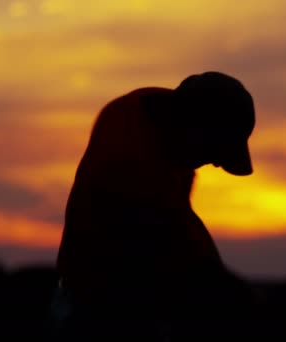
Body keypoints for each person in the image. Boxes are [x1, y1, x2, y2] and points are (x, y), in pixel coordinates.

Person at [49, 71, 259, 340]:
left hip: (95, 304)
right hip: (100, 317)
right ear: (195, 126)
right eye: (215, 149)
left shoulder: (143, 113)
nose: (216, 162)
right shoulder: (137, 168)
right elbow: (193, 261)